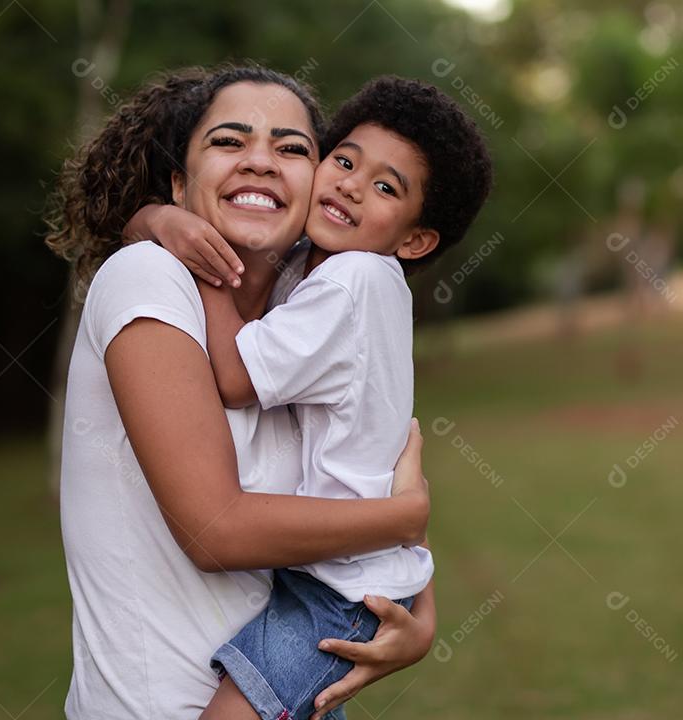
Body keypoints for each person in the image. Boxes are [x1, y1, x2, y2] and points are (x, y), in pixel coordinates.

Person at [46, 64, 437, 720]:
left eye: (291, 149)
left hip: (291, 689)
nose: (260, 161)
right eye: (229, 142)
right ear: (179, 181)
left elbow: (367, 481)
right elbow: (216, 530)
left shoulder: (303, 323)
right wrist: (405, 520)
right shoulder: (147, 277)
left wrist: (421, 619)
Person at [146, 76, 493, 720]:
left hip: (341, 593)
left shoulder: (354, 279)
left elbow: (235, 378)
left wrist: (199, 249)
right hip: (329, 574)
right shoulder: (316, 263)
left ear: (414, 240)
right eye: (344, 160)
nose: (353, 185)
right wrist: (157, 216)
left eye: (387, 187)